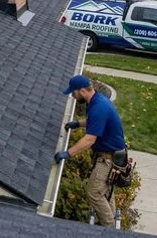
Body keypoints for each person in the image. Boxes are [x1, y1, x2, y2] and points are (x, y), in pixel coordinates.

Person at [54, 74, 127, 227]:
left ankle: (110, 230)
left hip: (108, 159)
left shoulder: (99, 106)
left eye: (73, 93)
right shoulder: (97, 101)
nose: (73, 97)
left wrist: (68, 153)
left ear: (81, 91)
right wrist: (78, 123)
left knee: (94, 193)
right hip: (115, 156)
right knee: (105, 194)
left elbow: (89, 139)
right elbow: (95, 120)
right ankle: (113, 226)